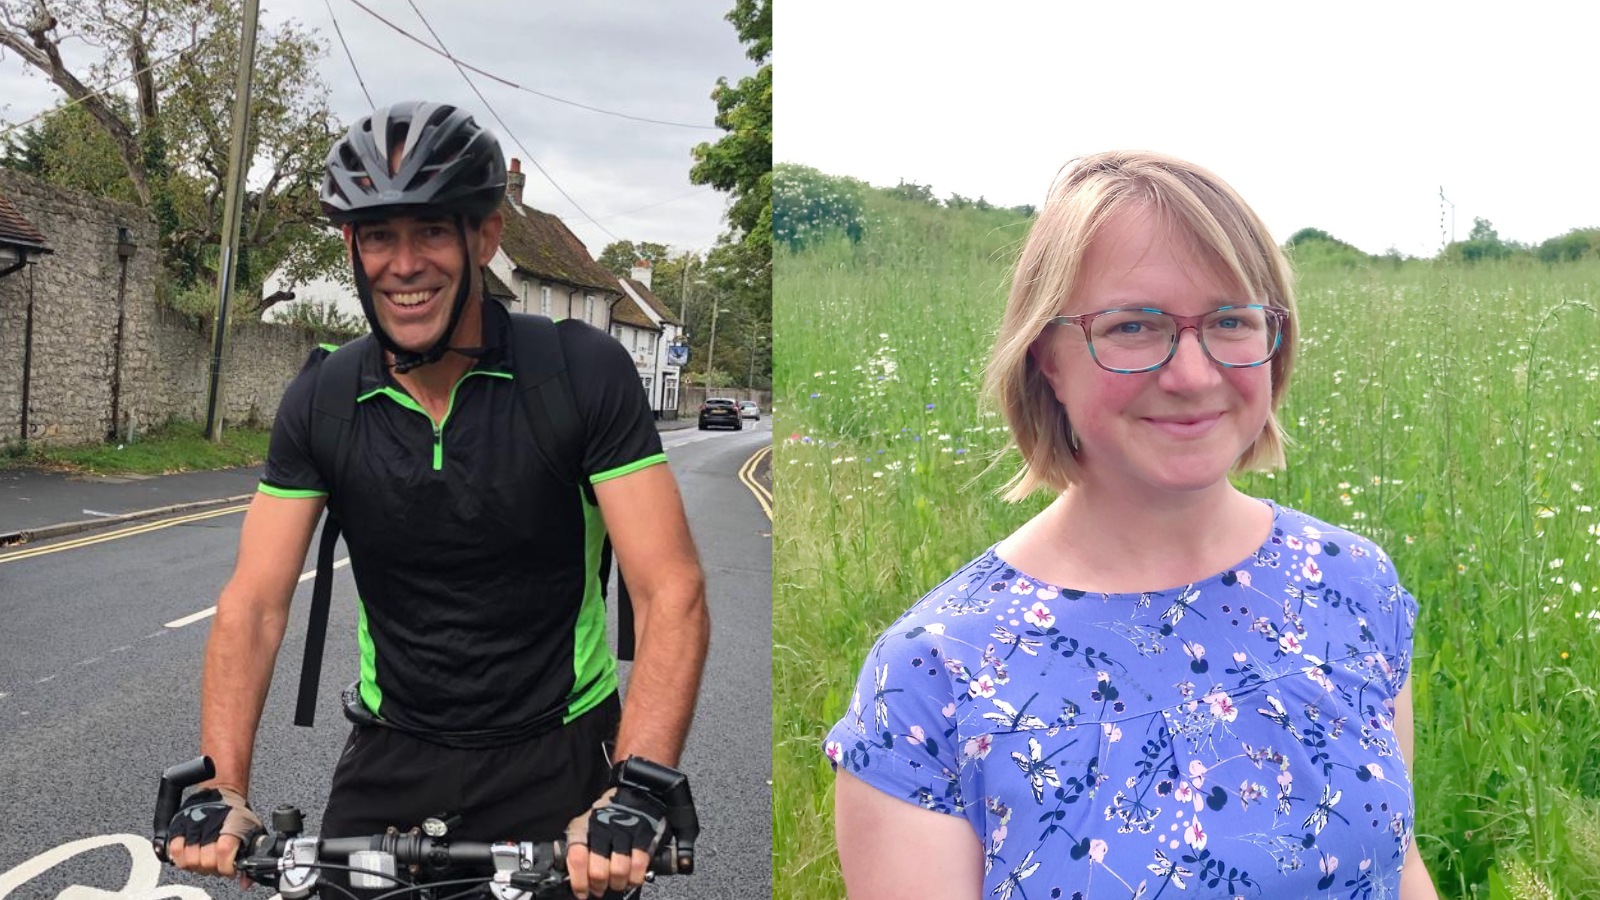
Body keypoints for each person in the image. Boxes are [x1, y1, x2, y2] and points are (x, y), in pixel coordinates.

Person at [825, 151, 1439, 899]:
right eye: (1134, 327)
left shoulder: (1353, 585)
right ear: (1046, 356)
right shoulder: (934, 677)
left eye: (1231, 320)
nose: (1191, 374)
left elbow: (1399, 867)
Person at [166, 101, 710, 900]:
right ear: (352, 247)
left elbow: (672, 591)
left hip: (556, 753)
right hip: (393, 754)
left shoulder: (579, 374)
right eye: (379, 236)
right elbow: (252, 603)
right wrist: (221, 786)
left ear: (484, 238)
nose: (404, 263)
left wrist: (634, 788)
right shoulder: (324, 397)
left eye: (430, 232)